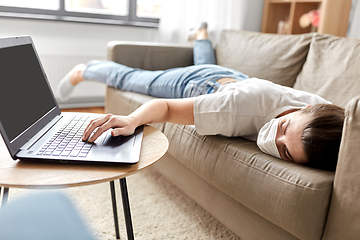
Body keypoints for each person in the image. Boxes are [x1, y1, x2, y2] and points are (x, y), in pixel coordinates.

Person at [57, 23, 345, 171]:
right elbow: (167, 108)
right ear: (305, 107)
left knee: (210, 66)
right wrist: (133, 120)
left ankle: (202, 35)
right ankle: (85, 70)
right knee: (133, 79)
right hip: (202, 86)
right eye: (284, 128)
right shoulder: (234, 109)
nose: (275, 140)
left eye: (284, 152)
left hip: (236, 82)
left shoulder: (326, 115)